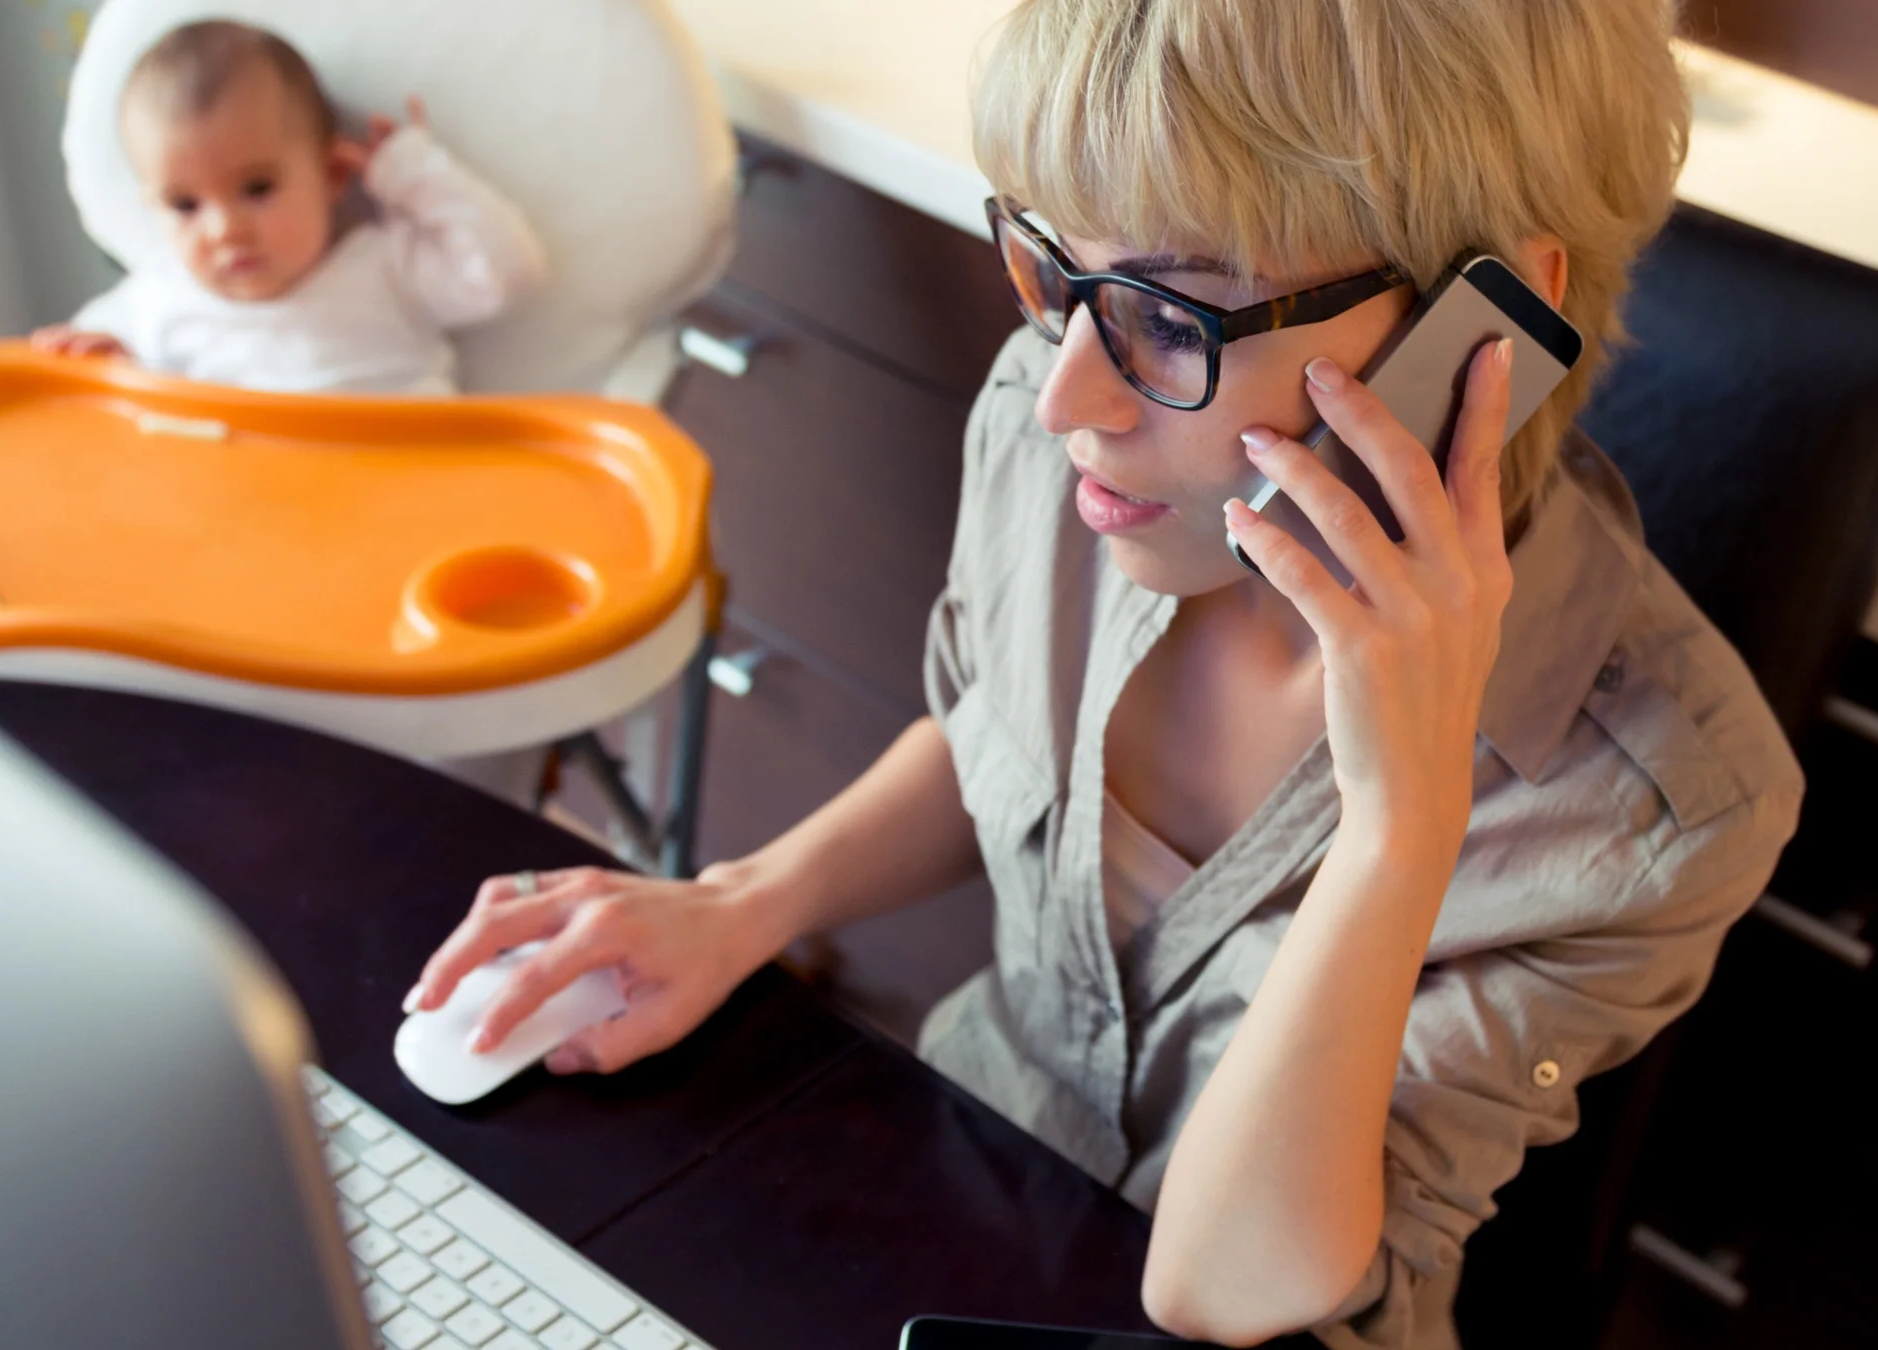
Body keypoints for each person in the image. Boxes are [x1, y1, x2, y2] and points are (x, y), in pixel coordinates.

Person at [404, 0, 1803, 1345]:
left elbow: (1224, 1288)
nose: (1070, 390)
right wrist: (739, 904)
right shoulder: (1054, 426)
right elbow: (996, 733)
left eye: (1171, 315)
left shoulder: (1664, 814)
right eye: (1059, 273)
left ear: (1486, 325)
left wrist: (1400, 827)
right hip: (944, 1190)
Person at [34, 20, 545, 395]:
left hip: (400, 496)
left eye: (257, 188)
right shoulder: (150, 303)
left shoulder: (384, 267)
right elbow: (71, 387)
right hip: (246, 512)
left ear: (333, 175)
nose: (224, 229)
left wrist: (410, 172)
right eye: (185, 205)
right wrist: (110, 366)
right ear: (151, 207)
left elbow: (509, 273)